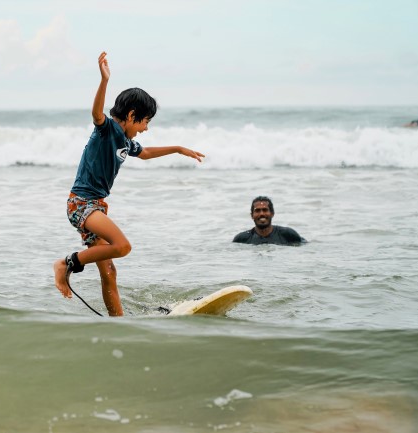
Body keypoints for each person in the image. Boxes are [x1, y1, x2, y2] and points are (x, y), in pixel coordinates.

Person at [53, 52, 205, 317]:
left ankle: (118, 325)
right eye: (145, 121)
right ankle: (66, 264)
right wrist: (104, 81)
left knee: (110, 272)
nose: (146, 128)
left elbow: (144, 153)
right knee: (123, 246)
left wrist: (178, 149)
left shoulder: (125, 141)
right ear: (132, 114)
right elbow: (96, 113)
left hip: (96, 206)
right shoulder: (108, 130)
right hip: (82, 204)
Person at [233, 196, 306, 246]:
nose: (261, 214)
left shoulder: (288, 235)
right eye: (257, 211)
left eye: (265, 210)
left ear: (272, 213)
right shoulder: (241, 239)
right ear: (252, 215)